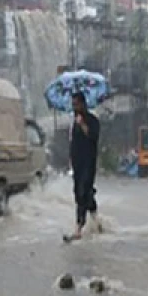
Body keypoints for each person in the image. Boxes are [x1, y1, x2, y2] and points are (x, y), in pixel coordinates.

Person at [64, 91, 101, 242]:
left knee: (82, 192)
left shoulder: (92, 120)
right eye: (73, 105)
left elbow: (93, 137)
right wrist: (70, 160)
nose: (74, 107)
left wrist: (83, 124)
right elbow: (73, 144)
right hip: (77, 165)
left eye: (76, 104)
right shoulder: (74, 123)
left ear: (83, 104)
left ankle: (78, 229)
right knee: (83, 194)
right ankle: (96, 221)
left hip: (89, 163)